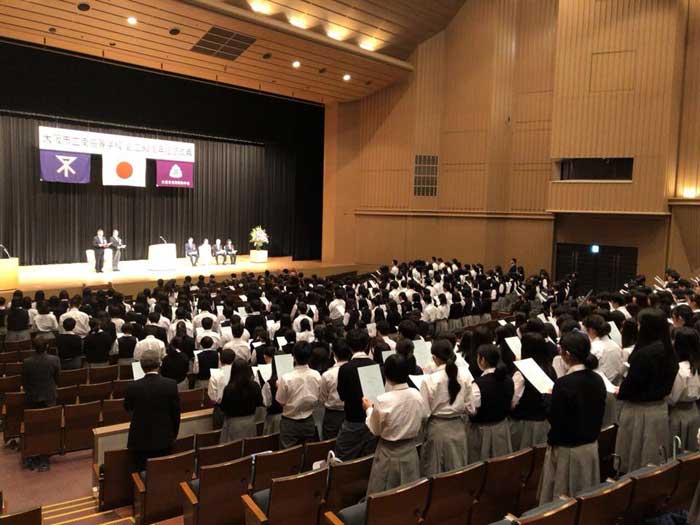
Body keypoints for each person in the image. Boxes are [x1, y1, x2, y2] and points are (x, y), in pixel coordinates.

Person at [539, 331, 606, 503]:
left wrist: (547, 399)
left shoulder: (564, 384)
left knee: (564, 500)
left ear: (567, 354)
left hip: (567, 450)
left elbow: (556, 419)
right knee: (587, 496)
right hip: (590, 446)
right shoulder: (597, 379)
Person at [616, 308, 679, 473]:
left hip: (639, 411)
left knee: (636, 460)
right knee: (653, 460)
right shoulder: (669, 350)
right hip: (659, 409)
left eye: (639, 324)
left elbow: (631, 387)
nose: (637, 328)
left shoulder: (643, 355)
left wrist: (619, 391)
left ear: (646, 328)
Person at [363, 354, 428, 495]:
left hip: (388, 452)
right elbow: (424, 416)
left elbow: (375, 430)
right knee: (409, 493)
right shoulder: (416, 394)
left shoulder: (383, 400)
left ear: (386, 374)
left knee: (385, 495)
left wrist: (368, 409)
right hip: (410, 450)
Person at [419, 339, 472, 475]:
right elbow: (470, 405)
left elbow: (424, 413)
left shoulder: (429, 380)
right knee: (458, 468)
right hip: (459, 426)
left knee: (436, 472)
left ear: (434, 358)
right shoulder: (465, 375)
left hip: (438, 429)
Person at [124, 349, 181, 470]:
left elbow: (128, 408)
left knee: (140, 470)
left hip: (139, 440)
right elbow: (176, 414)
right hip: (164, 438)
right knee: (163, 471)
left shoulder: (132, 387)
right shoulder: (171, 384)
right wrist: (173, 434)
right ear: (159, 364)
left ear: (141, 366)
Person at [335, 329, 379, 460]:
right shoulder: (375, 365)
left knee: (343, 458)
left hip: (352, 421)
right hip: (372, 420)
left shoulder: (345, 369)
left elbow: (342, 396)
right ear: (367, 345)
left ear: (348, 346)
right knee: (368, 457)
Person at [467, 344, 514, 462]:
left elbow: (473, 411)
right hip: (502, 428)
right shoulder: (509, 379)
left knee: (482, 464)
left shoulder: (478, 384)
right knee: (501, 464)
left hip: (482, 431)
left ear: (482, 360)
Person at [510, 332, 556, 450]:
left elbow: (512, 401)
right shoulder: (550, 368)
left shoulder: (522, 372)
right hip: (546, 422)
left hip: (526, 424)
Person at [21, 339, 60, 471]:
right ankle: (45, 453)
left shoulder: (27, 362)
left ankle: (35, 452)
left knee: (35, 426)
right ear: (47, 346)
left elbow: (24, 382)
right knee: (48, 426)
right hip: (49, 396)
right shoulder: (54, 360)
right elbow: (58, 379)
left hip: (33, 397)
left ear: (33, 347)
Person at [276, 341, 322, 449]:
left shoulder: (286, 378)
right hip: (308, 420)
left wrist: (278, 387)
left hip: (290, 422)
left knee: (288, 455)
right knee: (308, 453)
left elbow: (280, 401)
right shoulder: (316, 375)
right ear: (309, 357)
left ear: (294, 357)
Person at [668, 327, 700, 451]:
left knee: (676, 451)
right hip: (695, 411)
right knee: (693, 451)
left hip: (678, 413)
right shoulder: (696, 366)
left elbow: (672, 398)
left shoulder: (679, 369)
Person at [219, 359, 263, 443]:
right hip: (250, 422)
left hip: (233, 424)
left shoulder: (229, 389)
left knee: (234, 447)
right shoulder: (255, 386)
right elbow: (259, 402)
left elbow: (223, 407)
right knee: (250, 446)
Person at [320, 339, 351, 440]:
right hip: (351, 411)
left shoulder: (327, 374)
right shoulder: (354, 370)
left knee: (330, 443)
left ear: (333, 353)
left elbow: (322, 399)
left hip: (332, 414)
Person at [208, 348, 235, 427]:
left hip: (221, 408)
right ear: (234, 359)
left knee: (220, 432)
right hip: (238, 407)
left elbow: (212, 397)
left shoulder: (215, 375)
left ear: (220, 360)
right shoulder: (239, 372)